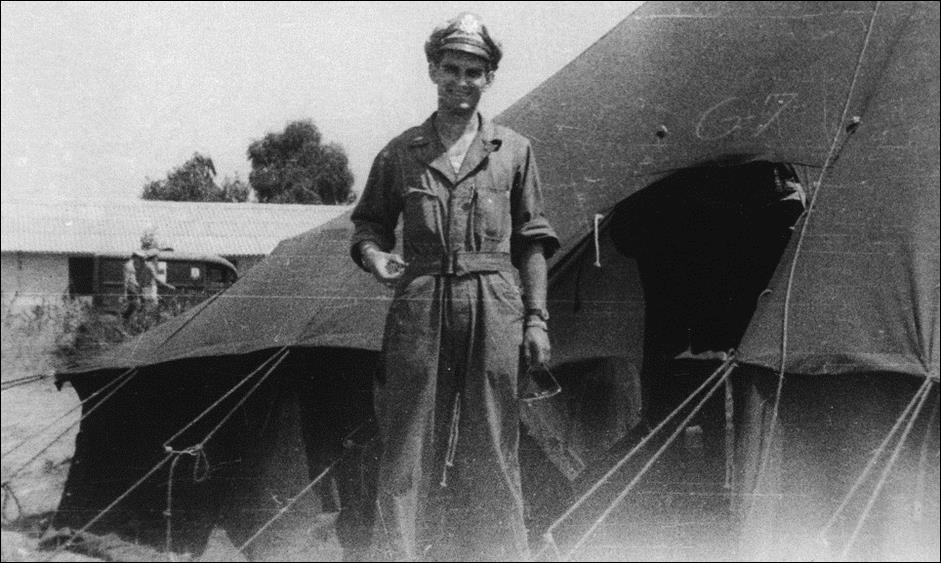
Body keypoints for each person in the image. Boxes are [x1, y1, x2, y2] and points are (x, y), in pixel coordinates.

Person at [350, 12, 559, 561]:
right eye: (451, 69)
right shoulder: (402, 151)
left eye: (474, 71)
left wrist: (536, 321)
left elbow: (533, 241)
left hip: (495, 301)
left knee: (493, 443)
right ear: (432, 70)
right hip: (420, 299)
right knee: (408, 443)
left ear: (489, 78)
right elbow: (368, 223)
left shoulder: (512, 149)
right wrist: (374, 256)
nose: (461, 82)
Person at [133, 249, 176, 328]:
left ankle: (145, 325)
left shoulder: (145, 266)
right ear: (153, 258)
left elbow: (141, 281)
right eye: (157, 257)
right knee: (153, 310)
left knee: (148, 309)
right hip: (150, 290)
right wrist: (168, 285)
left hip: (147, 291)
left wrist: (140, 293)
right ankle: (150, 327)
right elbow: (156, 278)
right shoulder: (150, 266)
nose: (157, 259)